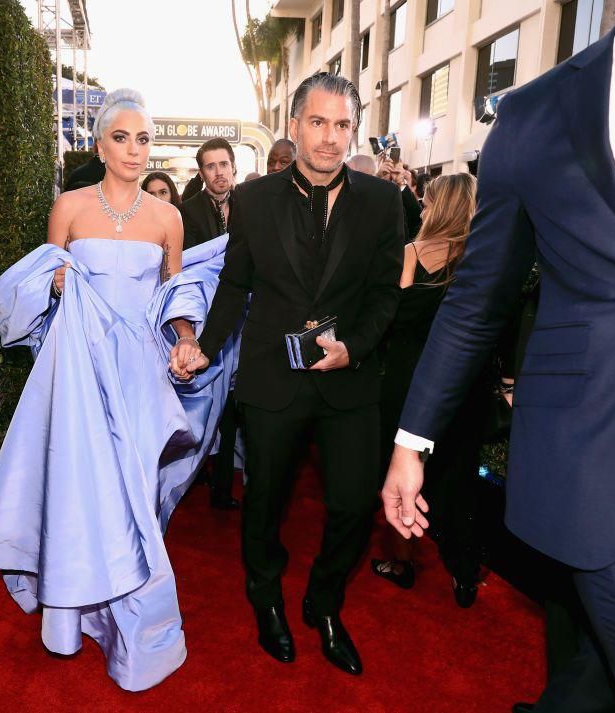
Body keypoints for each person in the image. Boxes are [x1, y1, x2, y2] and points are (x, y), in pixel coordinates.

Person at [382, 2, 615, 710]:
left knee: (594, 677)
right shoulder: (538, 111)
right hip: (606, 457)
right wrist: (413, 440)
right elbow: (477, 300)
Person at [0, 89, 237, 692]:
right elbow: (39, 288)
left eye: (144, 139)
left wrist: (187, 340)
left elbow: (175, 297)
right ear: (99, 145)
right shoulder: (68, 208)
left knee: (134, 489)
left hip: (140, 369)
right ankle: (73, 609)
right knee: (83, 483)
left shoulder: (168, 218)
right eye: (122, 138)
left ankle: (124, 613)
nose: (135, 150)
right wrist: (56, 285)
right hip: (80, 367)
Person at [174, 72, 405, 675]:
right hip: (273, 379)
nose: (330, 138)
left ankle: (325, 604)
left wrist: (352, 348)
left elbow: (385, 295)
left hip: (349, 382)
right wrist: (207, 343)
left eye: (343, 125)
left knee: (355, 505)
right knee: (266, 504)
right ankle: (266, 597)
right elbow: (235, 285)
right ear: (295, 125)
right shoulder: (253, 201)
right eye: (319, 122)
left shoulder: (383, 202)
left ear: (354, 129)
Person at [368, 174, 488, 607]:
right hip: (461, 385)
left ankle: (401, 562)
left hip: (406, 383)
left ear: (432, 204)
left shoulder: (409, 254)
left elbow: (387, 321)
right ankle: (465, 575)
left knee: (401, 475)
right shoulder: (481, 259)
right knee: (460, 478)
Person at [179, 138, 241, 509]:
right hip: (205, 316)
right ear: (202, 173)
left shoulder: (252, 204)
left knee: (235, 402)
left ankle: (223, 487)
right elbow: (189, 265)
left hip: (248, 317)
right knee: (205, 399)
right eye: (211, 167)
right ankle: (193, 473)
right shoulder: (187, 212)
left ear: (233, 166)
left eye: (224, 165)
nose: (219, 173)